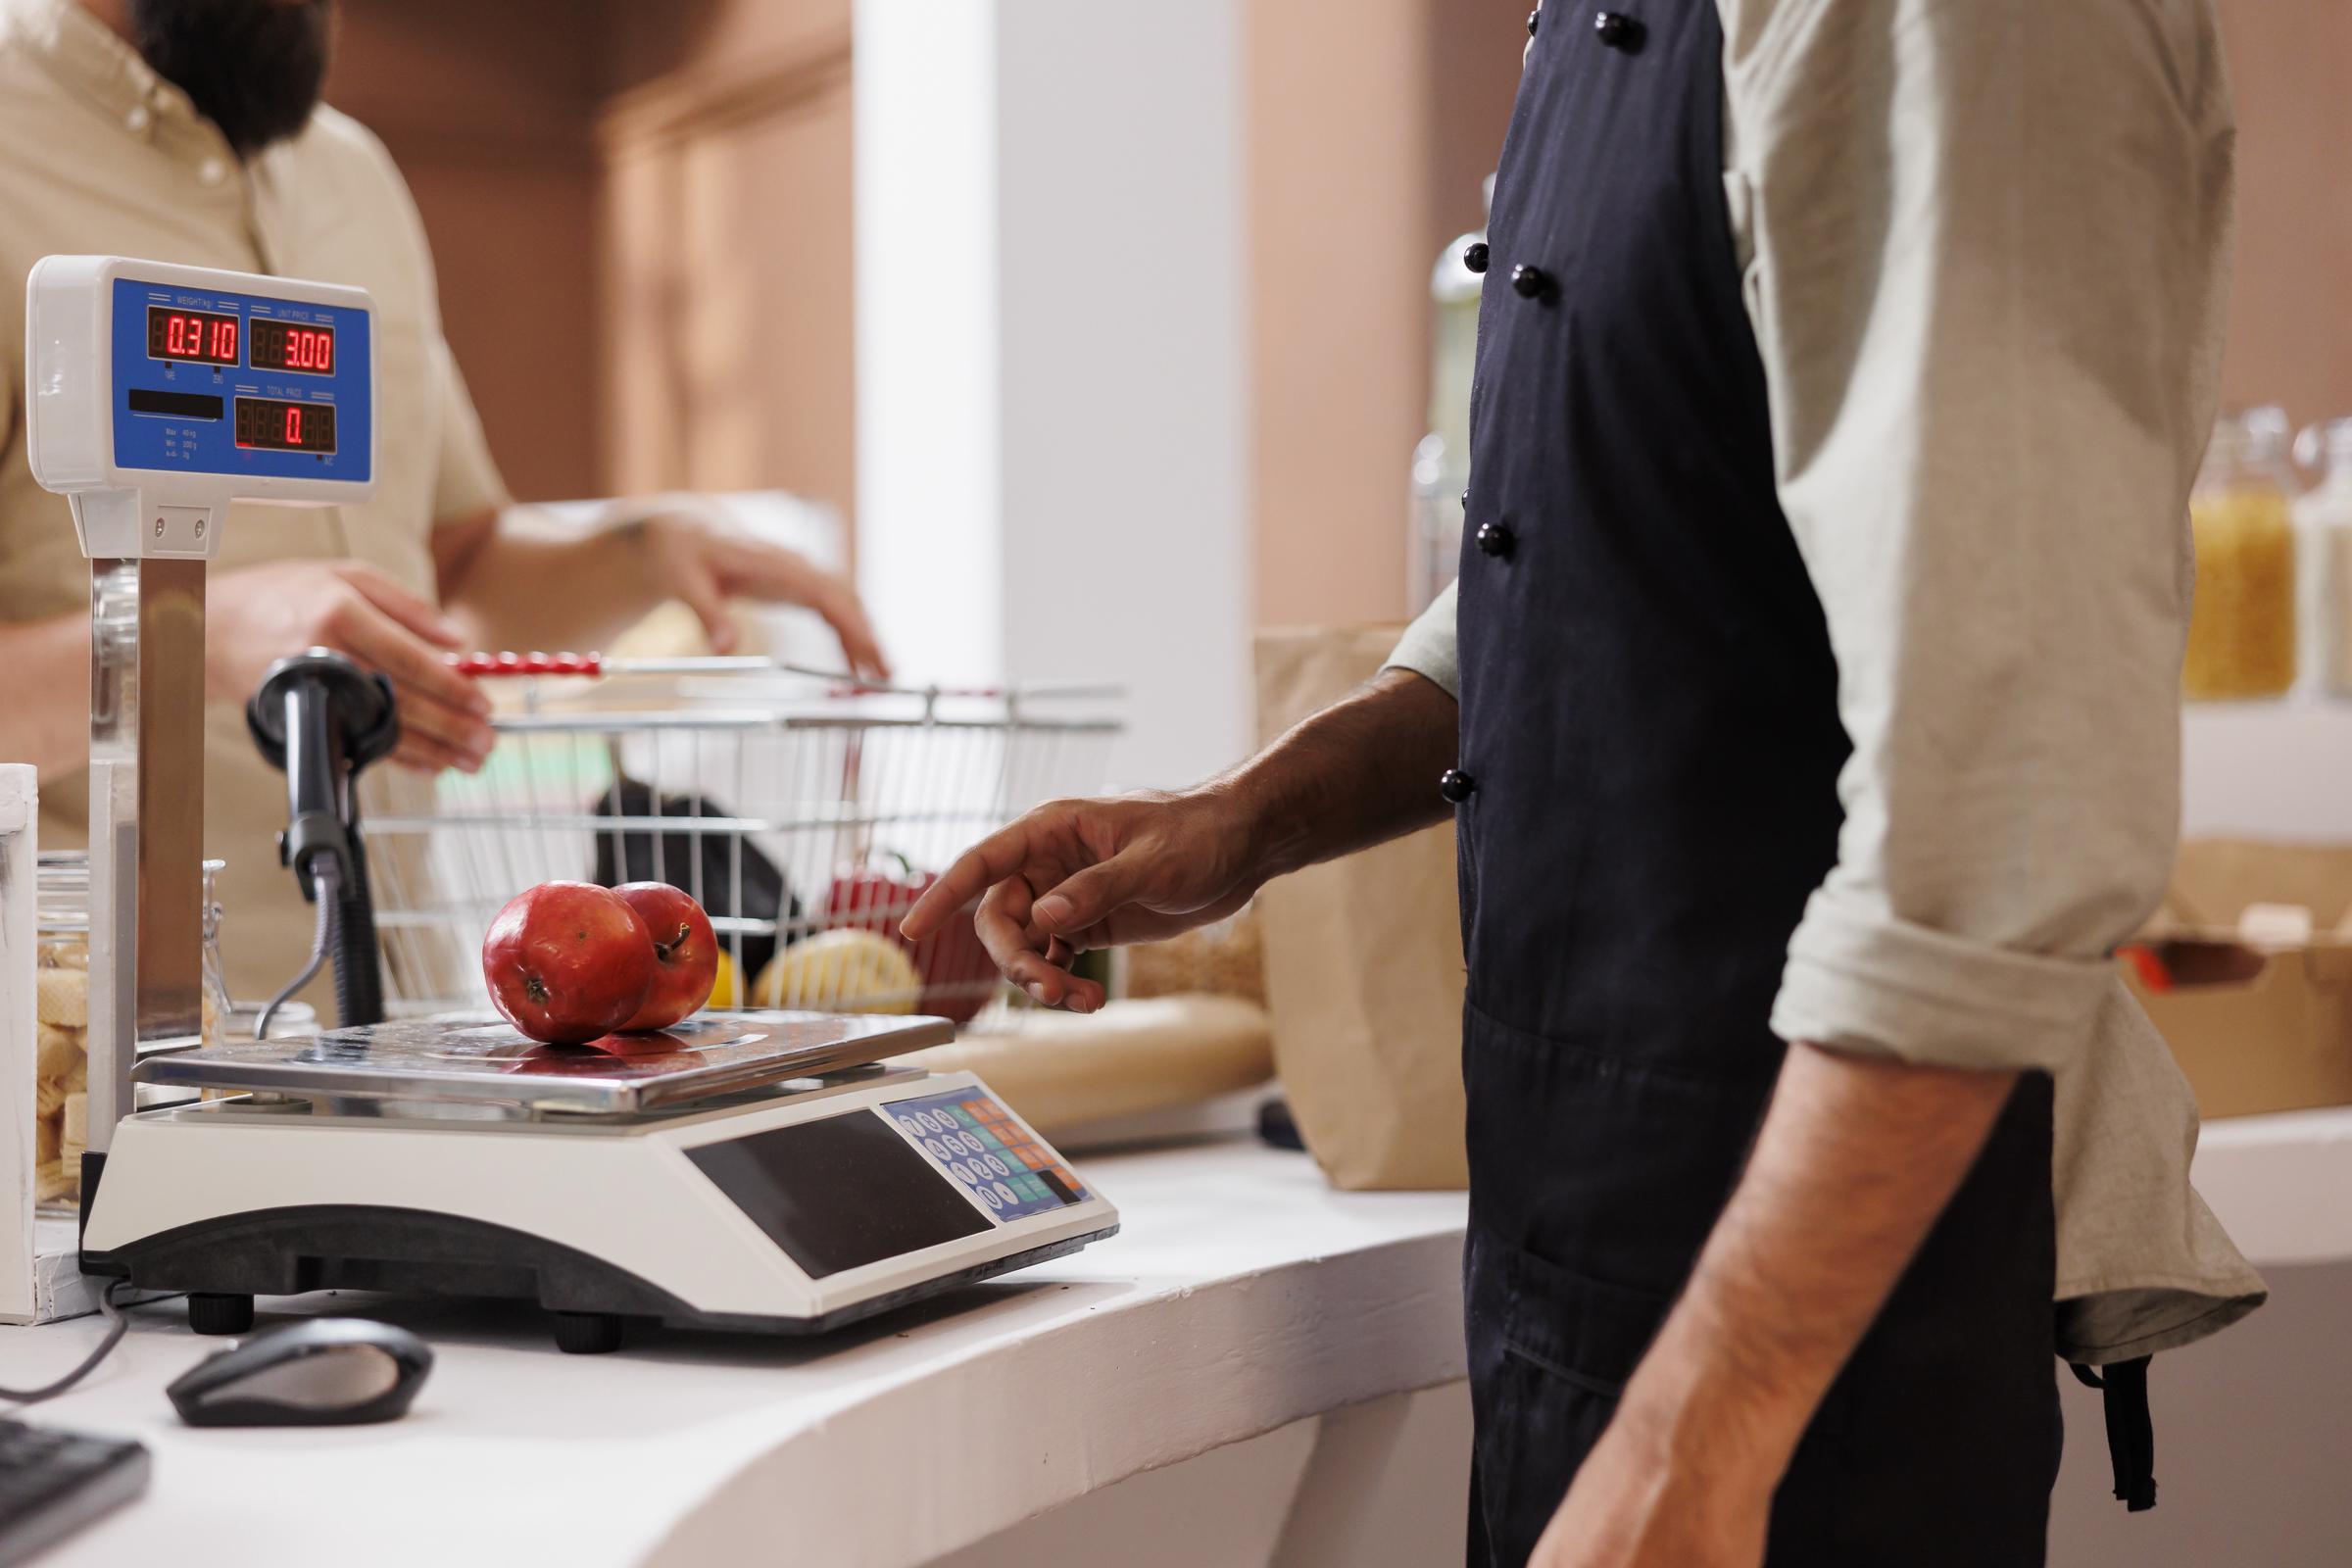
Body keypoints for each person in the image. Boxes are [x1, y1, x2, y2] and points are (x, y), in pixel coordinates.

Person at [906, 3, 2266, 1563]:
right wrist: (1250, 821)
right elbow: (1600, 558)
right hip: (1583, 1275)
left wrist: (1702, 1443)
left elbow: (2010, 795)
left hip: (1806, 1375)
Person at [0, 0, 886, 1002]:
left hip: (390, 1027)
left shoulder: (353, 178)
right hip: (74, 1067)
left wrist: (642, 552)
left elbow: (454, 567)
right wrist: (193, 633)